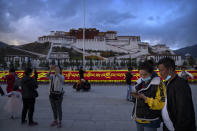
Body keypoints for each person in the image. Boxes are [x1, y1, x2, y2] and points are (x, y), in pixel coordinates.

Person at [158, 57, 196, 131]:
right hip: (168, 127)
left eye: (162, 70)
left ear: (170, 69)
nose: (160, 73)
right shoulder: (166, 83)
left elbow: (184, 112)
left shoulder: (181, 85)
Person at [131, 61, 165, 131]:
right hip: (138, 118)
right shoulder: (138, 82)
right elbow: (135, 101)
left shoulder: (158, 83)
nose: (143, 77)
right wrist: (134, 97)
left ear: (151, 73)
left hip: (150, 120)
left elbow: (161, 104)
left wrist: (145, 98)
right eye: (141, 74)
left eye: (145, 75)